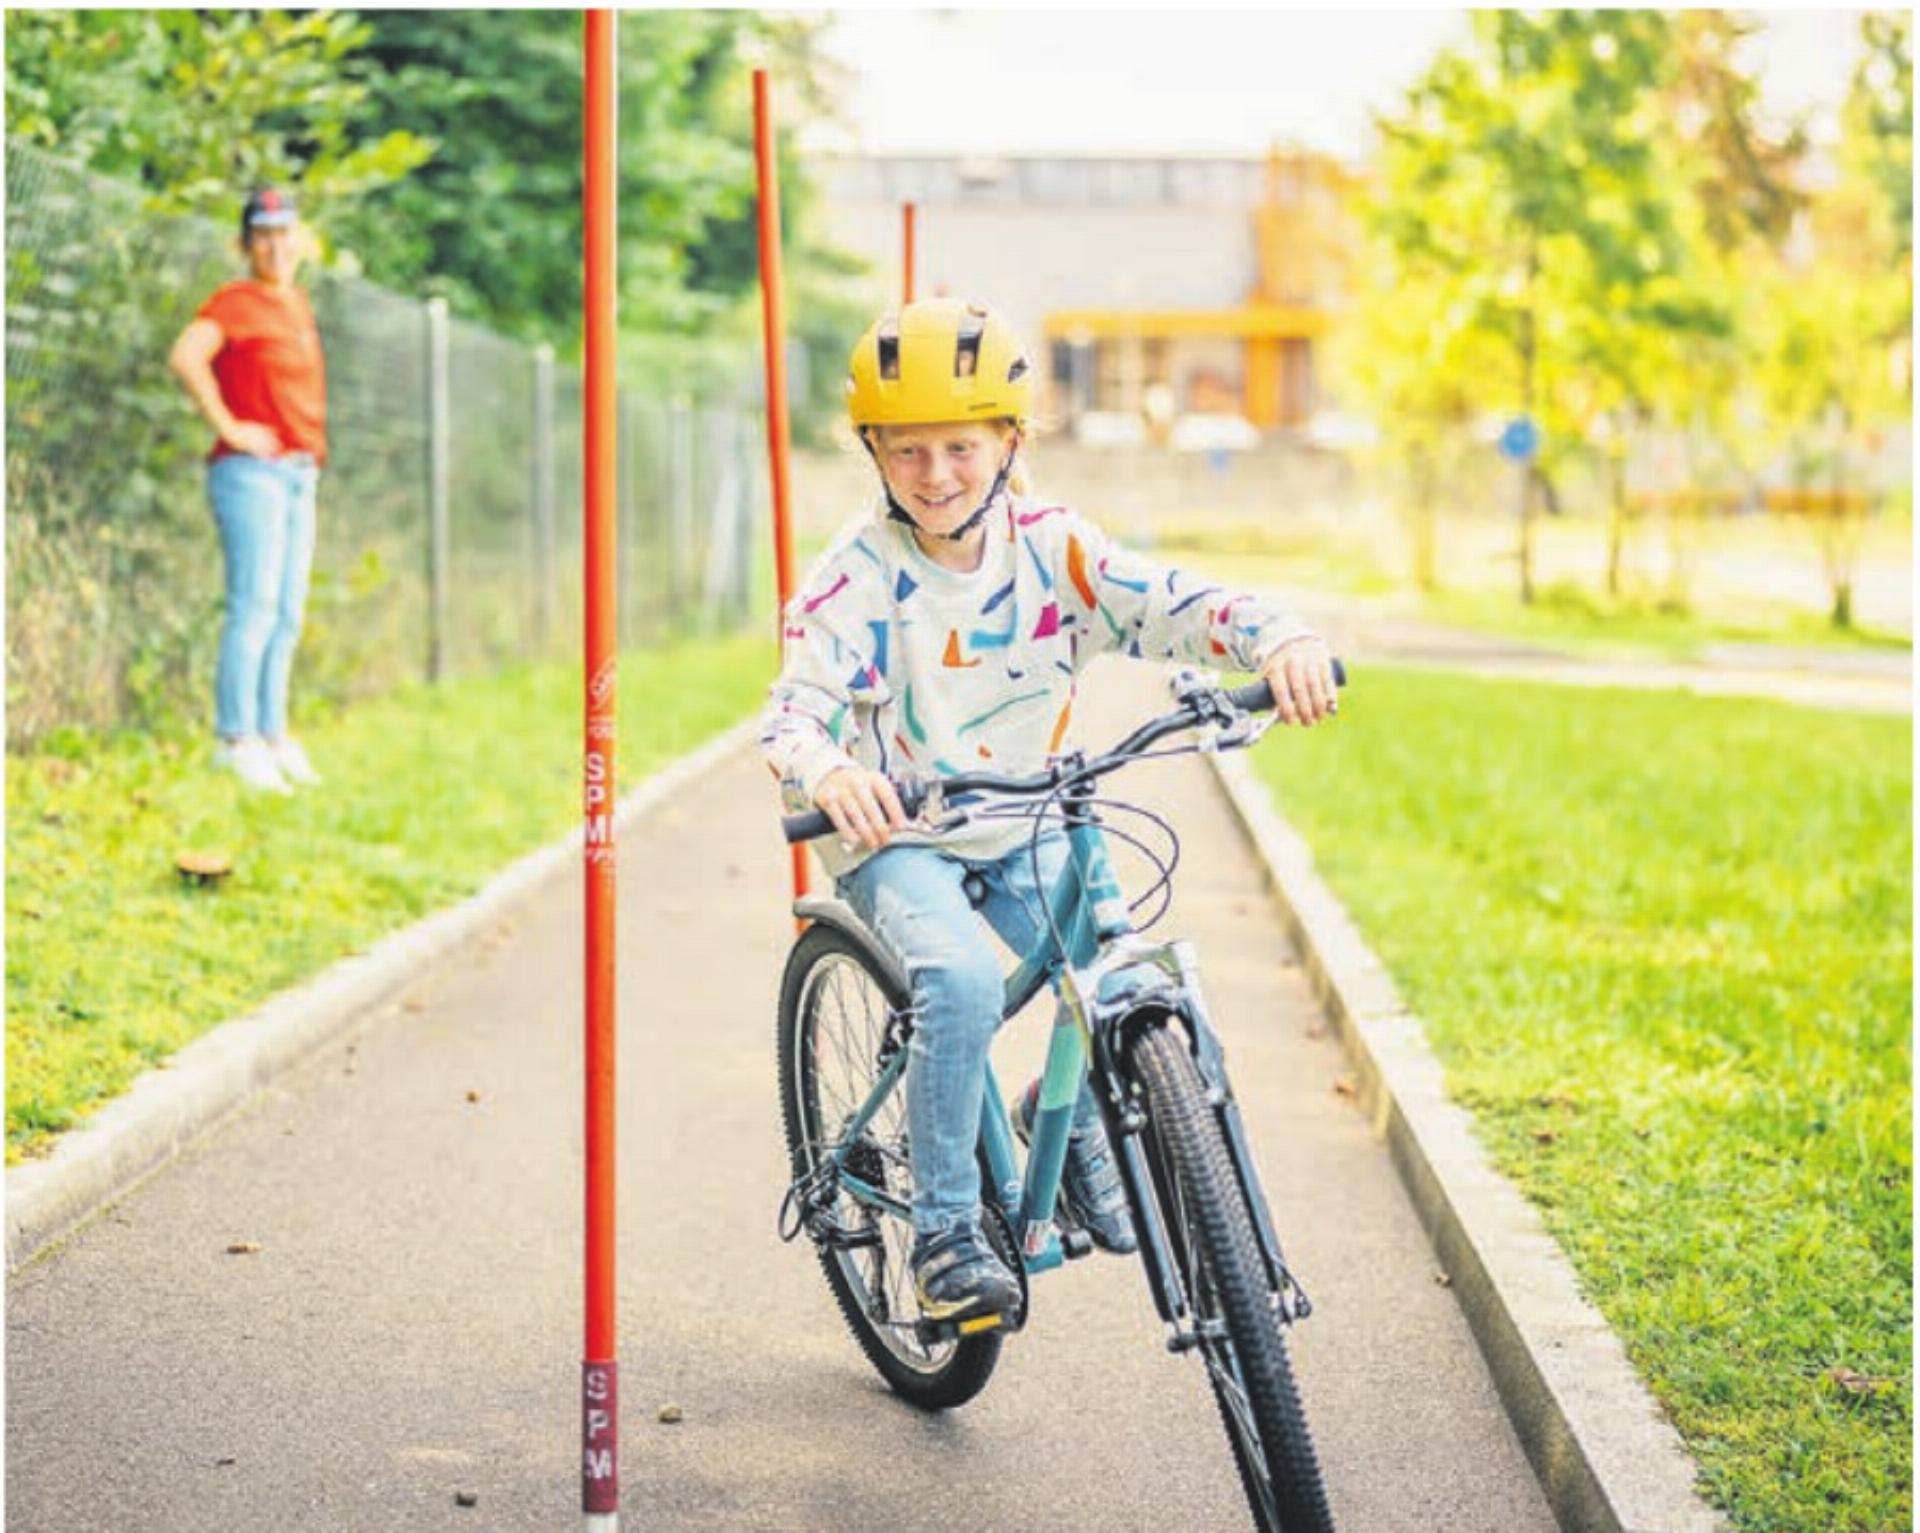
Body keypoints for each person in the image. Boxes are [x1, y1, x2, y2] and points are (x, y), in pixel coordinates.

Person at [760, 298, 1338, 1322]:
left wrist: (1276, 639)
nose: (935, 475)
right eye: (907, 453)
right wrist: (828, 770)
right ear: (875, 456)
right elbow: (796, 708)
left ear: (1010, 442)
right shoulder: (857, 575)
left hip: (1029, 815)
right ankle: (945, 1229)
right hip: (901, 833)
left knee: (1126, 975)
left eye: (959, 447)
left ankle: (1057, 1128)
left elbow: (1167, 601)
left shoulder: (1054, 547)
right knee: (962, 982)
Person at [168, 186, 327, 794]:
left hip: (297, 474)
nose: (275, 244)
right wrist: (230, 426)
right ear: (245, 244)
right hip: (250, 475)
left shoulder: (297, 304)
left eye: (284, 232)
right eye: (262, 234)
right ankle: (236, 739)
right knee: (254, 606)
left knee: (286, 612)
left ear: (300, 239)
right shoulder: (236, 302)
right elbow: (186, 356)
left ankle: (273, 733)